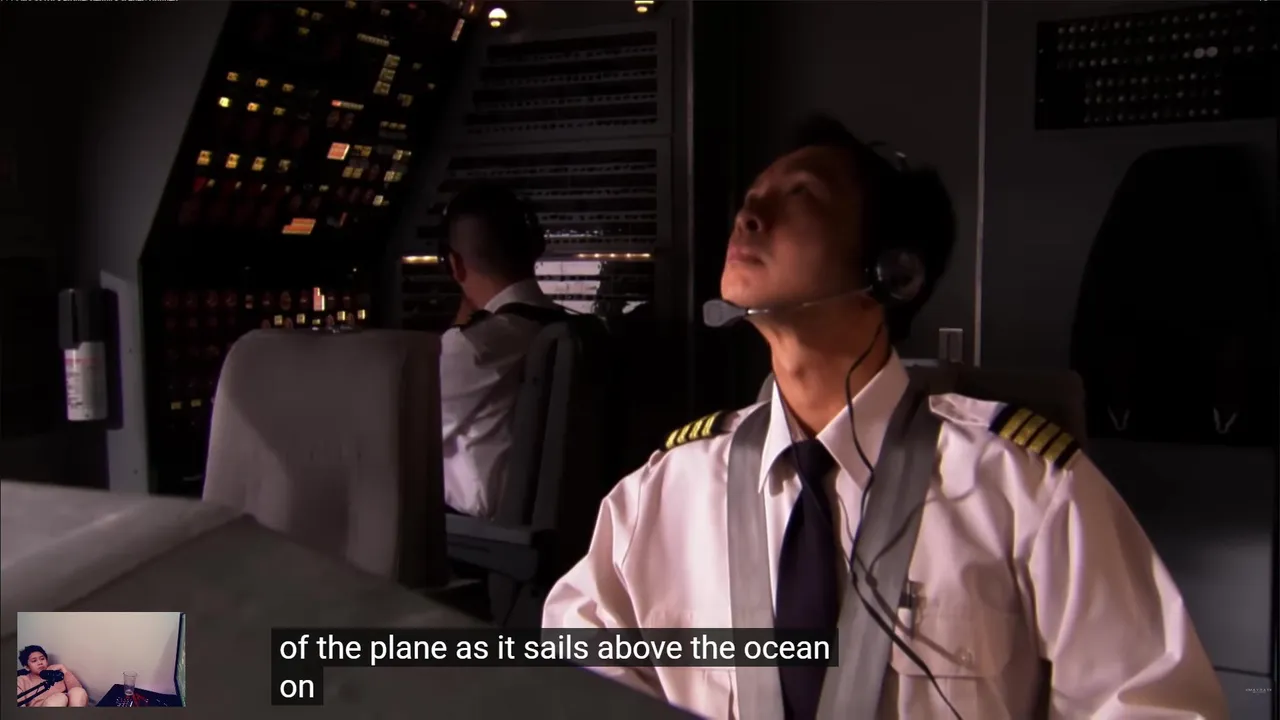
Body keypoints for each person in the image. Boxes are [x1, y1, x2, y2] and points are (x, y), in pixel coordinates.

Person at [541, 115, 1227, 719]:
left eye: (800, 196)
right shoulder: (664, 491)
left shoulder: (1024, 490)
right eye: (750, 199)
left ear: (894, 272)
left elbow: (1154, 703)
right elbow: (576, 666)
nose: (749, 216)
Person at [439, 183, 561, 518]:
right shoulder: (566, 328)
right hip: (541, 526)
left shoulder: (473, 346)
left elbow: (400, 429)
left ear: (454, 265)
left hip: (467, 530)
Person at [16, 645, 88, 708]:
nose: (40, 662)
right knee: (58, 699)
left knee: (78, 691)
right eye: (34, 661)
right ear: (27, 667)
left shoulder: (56, 672)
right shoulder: (21, 681)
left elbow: (78, 691)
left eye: (42, 659)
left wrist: (63, 669)